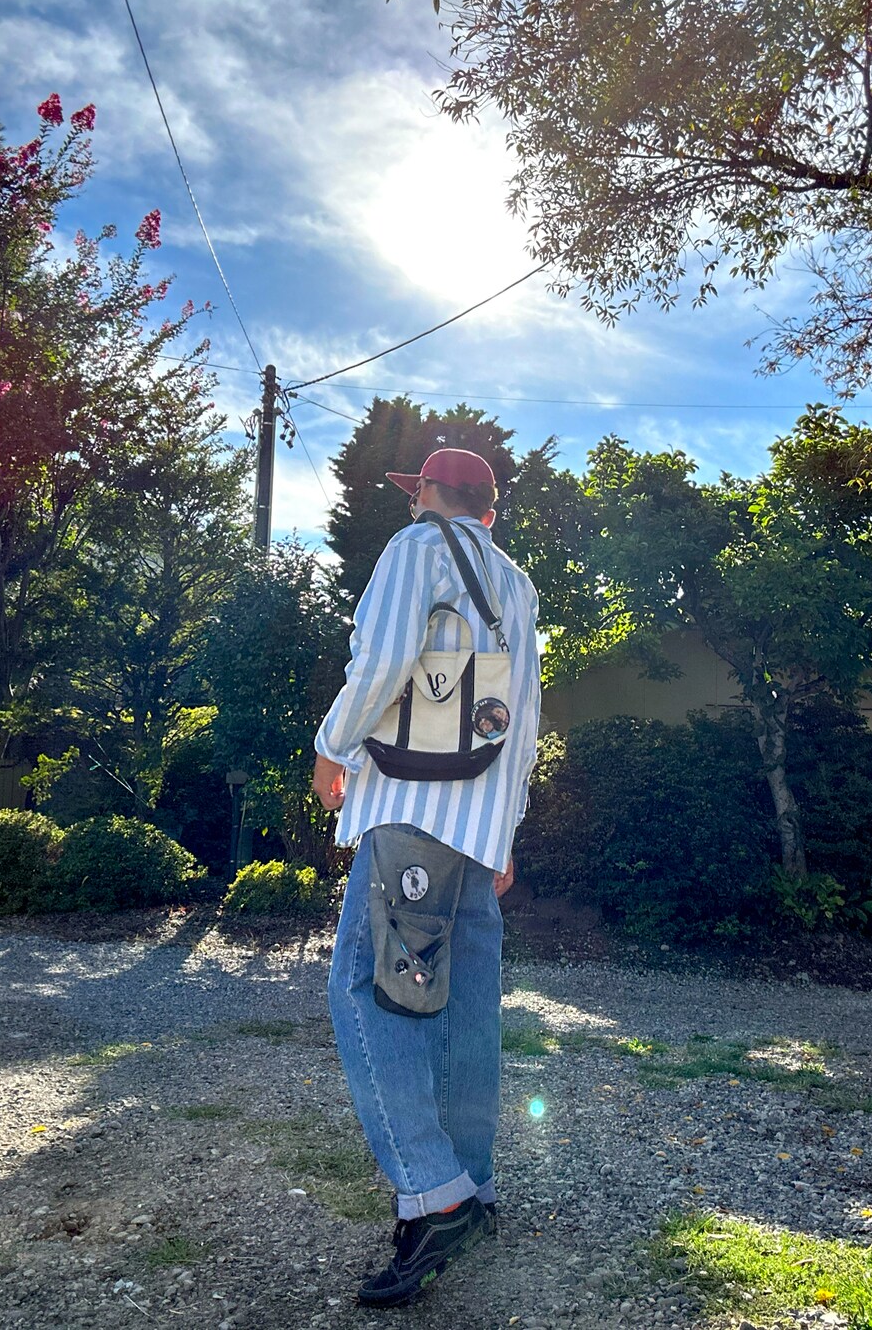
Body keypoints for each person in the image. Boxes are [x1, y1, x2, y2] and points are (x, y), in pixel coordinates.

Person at [312, 447, 541, 1307]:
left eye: (417, 497)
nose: (413, 508)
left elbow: (380, 661)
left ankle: (435, 1195)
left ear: (429, 496)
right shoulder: (515, 584)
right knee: (465, 1008)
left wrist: (332, 747)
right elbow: (525, 717)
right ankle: (472, 1183)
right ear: (489, 508)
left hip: (411, 812)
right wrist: (504, 831)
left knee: (366, 990)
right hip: (475, 830)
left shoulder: (416, 548)